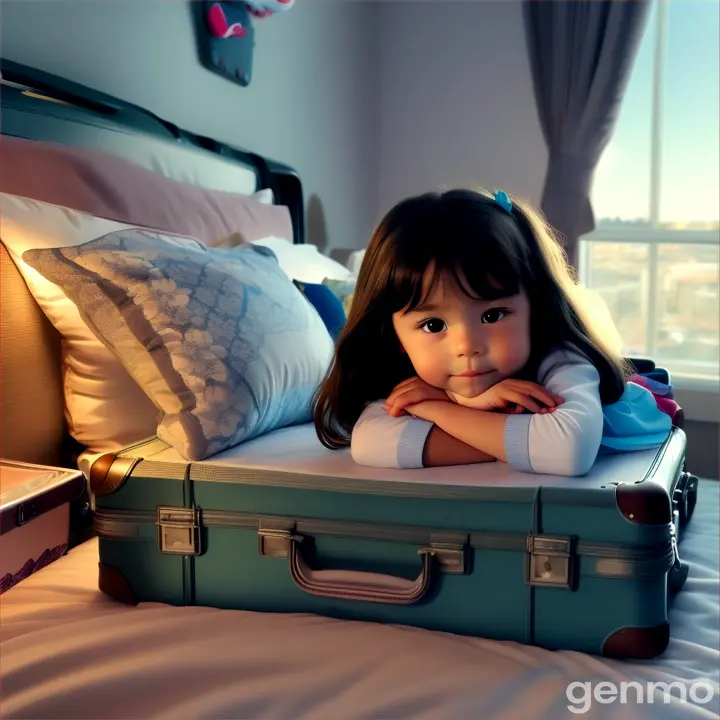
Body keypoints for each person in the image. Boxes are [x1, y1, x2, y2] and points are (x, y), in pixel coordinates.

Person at [312, 188, 672, 476]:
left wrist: (440, 406)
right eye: (433, 325)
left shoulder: (562, 360)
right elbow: (369, 442)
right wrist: (483, 416)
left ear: (534, 306)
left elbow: (568, 451)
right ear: (395, 336)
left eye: (493, 314)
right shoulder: (410, 377)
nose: (467, 345)